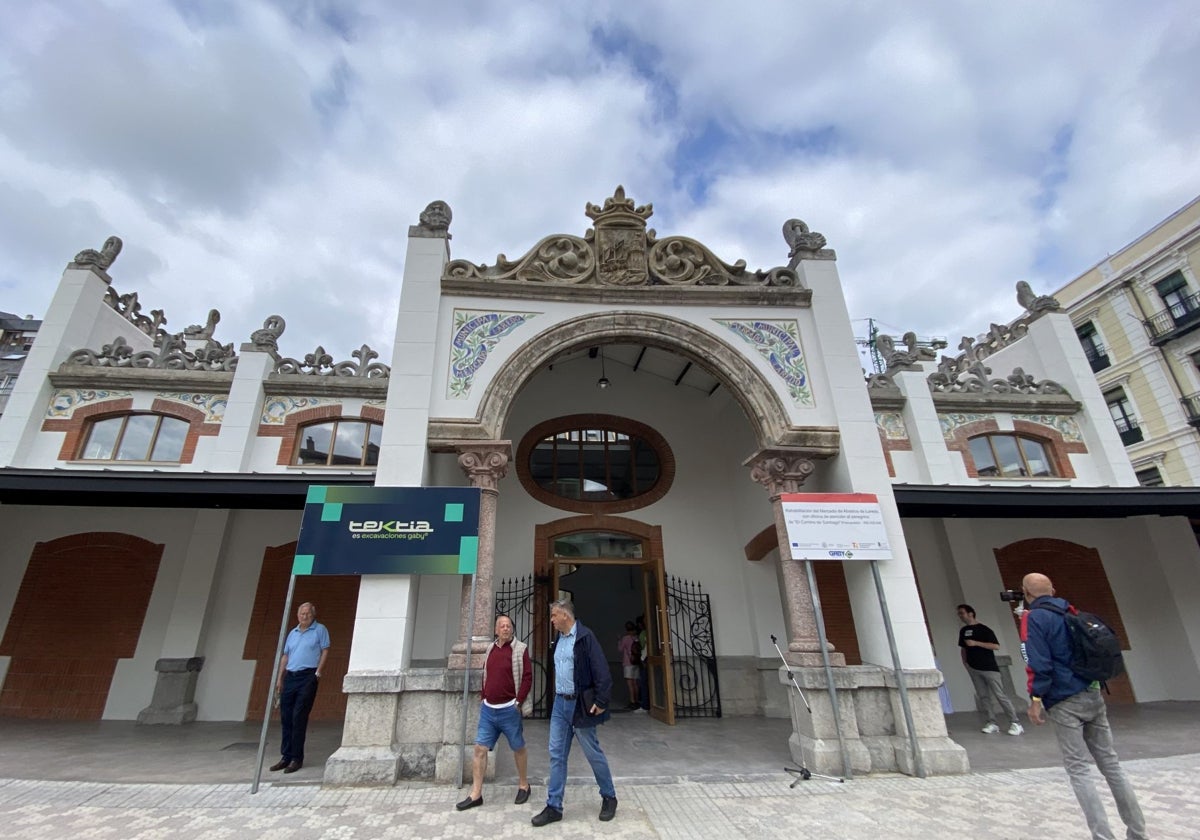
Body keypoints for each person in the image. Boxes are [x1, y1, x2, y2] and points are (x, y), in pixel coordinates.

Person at [1021, 573, 1148, 840]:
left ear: (1026, 593)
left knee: (1079, 769)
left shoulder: (1033, 618)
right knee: (1111, 764)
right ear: (1053, 589)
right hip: (1092, 692)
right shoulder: (1071, 610)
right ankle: (1138, 832)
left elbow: (1038, 663)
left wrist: (1035, 700)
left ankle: (1102, 836)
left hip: (1064, 698)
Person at [531, 598, 617, 827]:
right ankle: (554, 806)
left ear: (565, 616)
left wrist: (601, 700)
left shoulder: (585, 637)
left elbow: (602, 671)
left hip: (580, 705)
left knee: (592, 752)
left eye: (553, 616)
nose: (551, 620)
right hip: (560, 704)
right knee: (556, 754)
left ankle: (609, 797)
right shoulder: (559, 639)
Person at [455, 614, 533, 811]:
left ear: (512, 629)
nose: (505, 628)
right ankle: (476, 793)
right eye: (502, 626)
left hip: (509, 709)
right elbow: (486, 674)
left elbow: (527, 677)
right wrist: (483, 694)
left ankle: (524, 784)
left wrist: (519, 701)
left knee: (518, 747)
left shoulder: (520, 649)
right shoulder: (490, 649)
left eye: (508, 625)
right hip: (489, 710)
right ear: (496, 630)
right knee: (480, 749)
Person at [271, 601, 330, 773]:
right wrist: (280, 678)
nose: (304, 616)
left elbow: (326, 650)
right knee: (286, 717)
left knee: (299, 716)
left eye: (307, 614)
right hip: (291, 676)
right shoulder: (293, 633)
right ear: (298, 615)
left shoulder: (320, 630)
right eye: (302, 614)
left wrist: (318, 672)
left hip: (307, 676)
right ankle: (285, 756)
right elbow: (285, 656)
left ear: (313, 615)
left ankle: (297, 758)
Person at [956, 603, 1023, 735]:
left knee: (1000, 695)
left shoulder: (985, 630)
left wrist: (976, 643)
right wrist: (965, 663)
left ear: (971, 613)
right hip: (974, 668)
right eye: (959, 614)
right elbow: (963, 648)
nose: (960, 616)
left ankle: (1015, 722)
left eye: (962, 613)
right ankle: (991, 722)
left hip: (989, 667)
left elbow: (995, 646)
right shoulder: (963, 631)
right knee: (983, 696)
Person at [618, 621, 639, 709]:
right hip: (636, 662)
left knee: (630, 683)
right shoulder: (636, 637)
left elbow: (620, 649)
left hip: (628, 662)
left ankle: (632, 701)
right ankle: (637, 700)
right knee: (635, 683)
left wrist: (619, 640)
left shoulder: (625, 638)